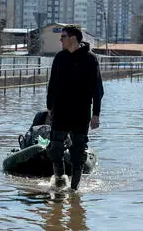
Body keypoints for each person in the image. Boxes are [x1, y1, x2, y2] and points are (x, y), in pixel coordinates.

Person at [46, 25, 104, 191]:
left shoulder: (90, 59)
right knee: (55, 148)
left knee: (77, 154)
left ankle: (74, 189)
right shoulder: (60, 57)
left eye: (63, 36)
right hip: (60, 111)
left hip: (81, 112)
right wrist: (50, 106)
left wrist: (96, 114)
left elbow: (97, 90)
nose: (60, 40)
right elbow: (52, 84)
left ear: (73, 38)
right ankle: (59, 182)